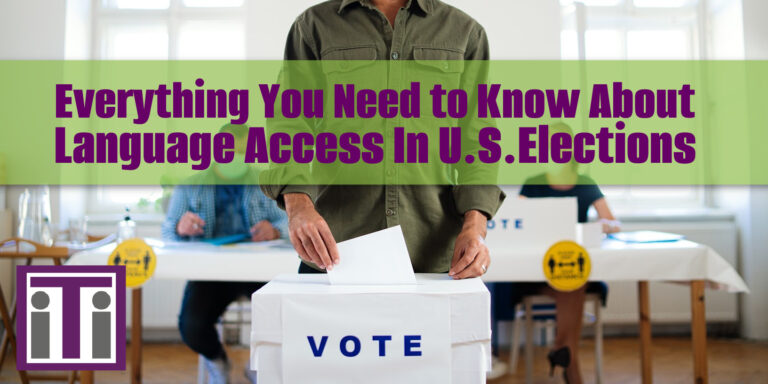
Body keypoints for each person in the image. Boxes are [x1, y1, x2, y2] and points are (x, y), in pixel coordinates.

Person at [261, 0, 505, 278]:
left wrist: (476, 228)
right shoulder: (313, 26)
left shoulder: (465, 32)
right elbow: (289, 123)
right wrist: (298, 207)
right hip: (335, 253)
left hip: (434, 259)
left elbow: (478, 141)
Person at [489, 122, 620, 383]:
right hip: (538, 273)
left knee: (572, 277)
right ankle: (567, 360)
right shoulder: (534, 183)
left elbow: (613, 222)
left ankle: (562, 351)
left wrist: (598, 226)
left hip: (571, 266)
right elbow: (517, 217)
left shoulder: (586, 183)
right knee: (573, 279)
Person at [162, 124, 289, 384]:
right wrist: (180, 227)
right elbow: (167, 232)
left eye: (243, 151)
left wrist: (275, 231)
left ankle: (259, 366)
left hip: (258, 272)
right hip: (209, 275)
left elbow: (288, 222)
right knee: (192, 327)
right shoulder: (191, 186)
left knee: (282, 317)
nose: (237, 156)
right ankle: (218, 360)